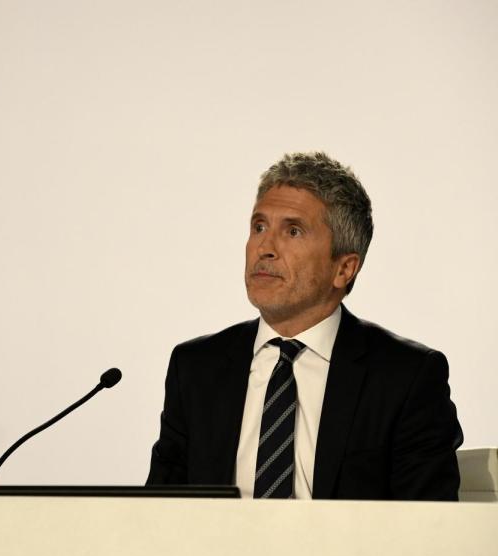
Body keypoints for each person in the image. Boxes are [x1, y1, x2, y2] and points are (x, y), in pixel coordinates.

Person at [145, 152, 462, 500]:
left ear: (344, 269)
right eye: (259, 226)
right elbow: (161, 515)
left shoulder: (405, 378)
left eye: (293, 231)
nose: (264, 248)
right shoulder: (196, 369)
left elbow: (429, 528)